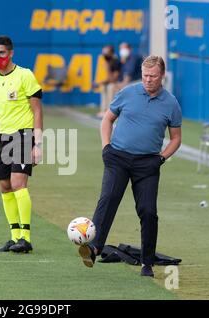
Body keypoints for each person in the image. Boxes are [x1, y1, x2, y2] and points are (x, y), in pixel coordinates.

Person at [78, 56, 182, 277]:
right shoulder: (127, 92)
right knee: (108, 199)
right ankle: (94, 248)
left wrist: (161, 158)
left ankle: (147, 262)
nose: (148, 80)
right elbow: (107, 119)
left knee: (148, 211)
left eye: (153, 76)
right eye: (145, 75)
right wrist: (106, 147)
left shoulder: (171, 103)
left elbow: (176, 138)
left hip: (148, 163)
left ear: (162, 75)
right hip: (118, 157)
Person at [0, 36, 43, 253]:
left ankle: (25, 238)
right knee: (5, 186)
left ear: (11, 53)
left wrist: (38, 144)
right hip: (2, 138)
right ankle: (14, 236)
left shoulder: (25, 75)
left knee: (18, 183)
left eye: (2, 53)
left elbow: (37, 110)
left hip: (23, 135)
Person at [95, 45, 121, 118]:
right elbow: (108, 79)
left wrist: (108, 68)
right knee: (103, 86)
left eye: (106, 53)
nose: (104, 55)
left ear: (111, 53)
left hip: (119, 83)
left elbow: (114, 79)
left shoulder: (116, 62)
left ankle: (110, 111)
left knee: (110, 87)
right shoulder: (108, 62)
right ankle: (103, 110)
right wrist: (101, 82)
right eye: (103, 53)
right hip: (113, 83)